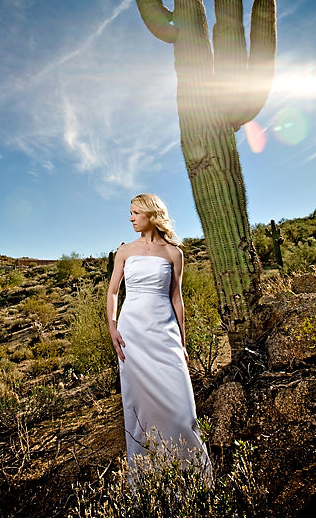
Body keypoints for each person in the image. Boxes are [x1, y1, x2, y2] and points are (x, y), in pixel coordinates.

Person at [106, 193, 210, 472]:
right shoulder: (125, 251)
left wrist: (183, 342)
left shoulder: (174, 252)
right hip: (132, 333)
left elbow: (177, 298)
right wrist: (112, 326)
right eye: (130, 212)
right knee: (140, 404)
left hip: (165, 333)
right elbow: (114, 291)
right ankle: (149, 474)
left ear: (152, 215)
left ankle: (190, 470)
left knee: (181, 406)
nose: (130, 218)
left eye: (135, 212)